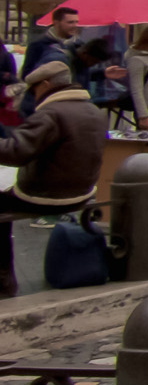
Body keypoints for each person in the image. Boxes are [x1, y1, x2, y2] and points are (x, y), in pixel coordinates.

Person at [0, 62, 108, 297]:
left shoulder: (51, 114)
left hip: (45, 195)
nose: (33, 94)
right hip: (84, 190)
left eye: (35, 88)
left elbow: (16, 152)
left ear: (46, 85)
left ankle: (3, 283)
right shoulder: (93, 110)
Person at [23, 6, 81, 84]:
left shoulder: (77, 46)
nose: (75, 25)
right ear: (56, 23)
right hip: (49, 93)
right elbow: (26, 75)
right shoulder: (38, 45)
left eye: (76, 22)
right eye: (70, 22)